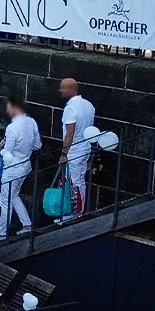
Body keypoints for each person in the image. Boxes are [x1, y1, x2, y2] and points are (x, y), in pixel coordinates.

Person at [0, 94, 42, 244]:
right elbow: (38, 145)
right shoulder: (31, 122)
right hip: (25, 166)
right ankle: (27, 224)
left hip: (13, 169)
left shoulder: (12, 128)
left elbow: (7, 155)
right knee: (14, 195)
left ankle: (1, 233)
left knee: (5, 201)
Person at [59, 77, 96, 218]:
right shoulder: (89, 105)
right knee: (79, 181)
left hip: (74, 151)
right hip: (85, 147)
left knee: (75, 182)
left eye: (63, 88)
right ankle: (75, 212)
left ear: (71, 89)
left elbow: (69, 134)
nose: (60, 90)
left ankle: (76, 214)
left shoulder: (70, 109)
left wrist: (63, 154)